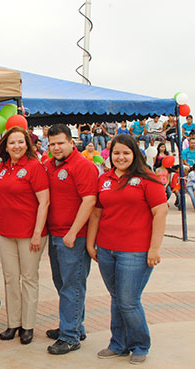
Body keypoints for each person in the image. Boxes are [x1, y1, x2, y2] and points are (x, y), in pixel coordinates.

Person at [86, 134, 167, 365]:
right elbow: (97, 213)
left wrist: (155, 248)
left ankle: (140, 344)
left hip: (136, 251)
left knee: (129, 301)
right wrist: (91, 243)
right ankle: (118, 344)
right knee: (116, 298)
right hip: (107, 249)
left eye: (125, 153)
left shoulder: (147, 179)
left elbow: (160, 212)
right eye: (116, 153)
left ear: (135, 154)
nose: (120, 157)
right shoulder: (105, 179)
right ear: (110, 155)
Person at [0, 127, 49, 345]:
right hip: (6, 233)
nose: (16, 146)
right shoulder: (4, 168)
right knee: (10, 279)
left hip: (30, 234)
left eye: (21, 142)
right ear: (5, 145)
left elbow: (44, 202)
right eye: (12, 143)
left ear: (27, 144)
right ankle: (13, 323)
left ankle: (28, 325)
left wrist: (36, 233)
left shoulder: (35, 167)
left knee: (29, 279)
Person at [44, 124, 98, 355]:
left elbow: (89, 201)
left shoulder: (83, 166)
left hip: (72, 237)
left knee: (72, 287)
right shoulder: (48, 165)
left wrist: (73, 232)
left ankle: (70, 337)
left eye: (60, 143)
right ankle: (75, 325)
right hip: (54, 234)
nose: (56, 147)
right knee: (62, 284)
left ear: (71, 142)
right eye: (52, 144)